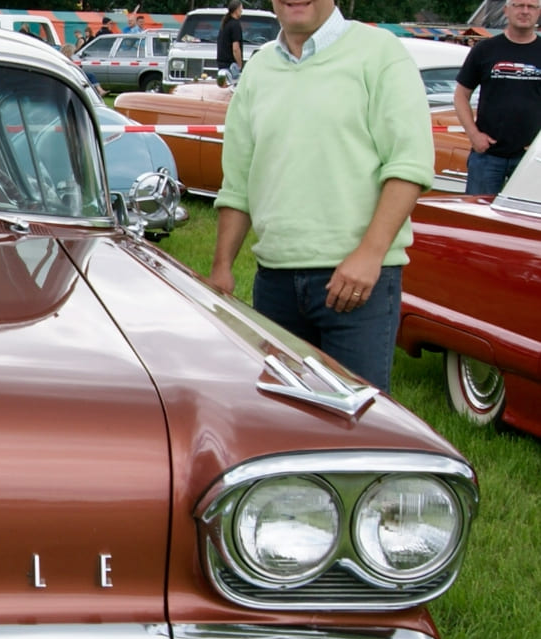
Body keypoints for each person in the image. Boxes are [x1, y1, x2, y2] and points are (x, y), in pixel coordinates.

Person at [207, 0, 433, 394]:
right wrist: (221, 268)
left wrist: (368, 255)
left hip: (357, 285)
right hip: (274, 285)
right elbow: (238, 181)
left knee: (356, 429)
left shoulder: (380, 54)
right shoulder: (259, 69)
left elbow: (408, 165)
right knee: (281, 420)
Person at [453, 0, 541, 194]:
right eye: (519, 5)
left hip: (531, 159)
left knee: (526, 222)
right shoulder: (485, 50)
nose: (525, 11)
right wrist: (474, 135)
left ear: (538, 12)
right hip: (487, 155)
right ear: (506, 11)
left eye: (531, 7)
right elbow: (460, 95)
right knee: (479, 218)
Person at [217, 0, 244, 82]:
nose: (242, 11)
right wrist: (239, 65)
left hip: (222, 64)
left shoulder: (225, 24)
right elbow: (236, 48)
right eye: (241, 9)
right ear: (236, 10)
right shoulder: (235, 25)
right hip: (231, 66)